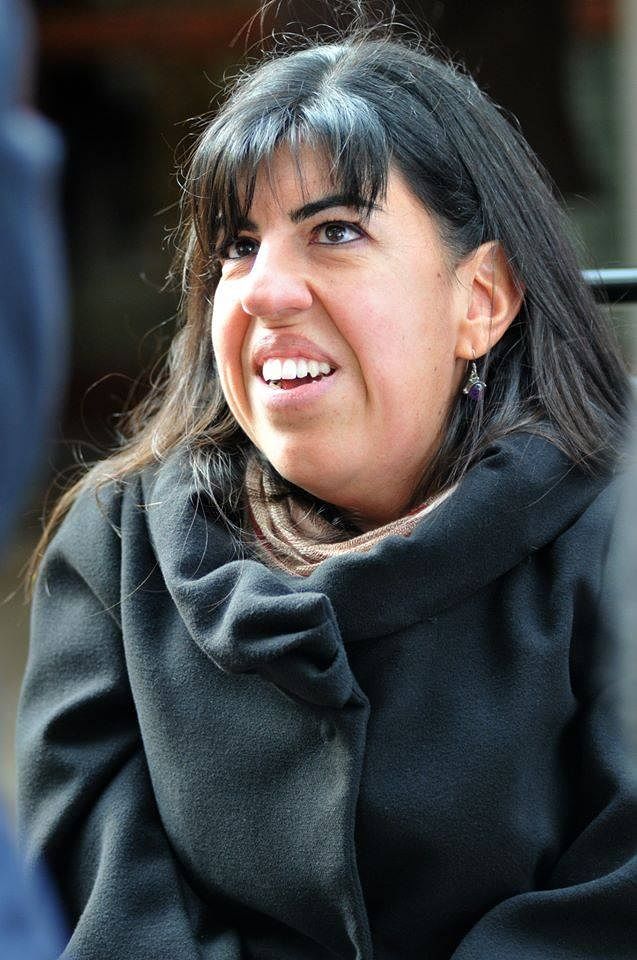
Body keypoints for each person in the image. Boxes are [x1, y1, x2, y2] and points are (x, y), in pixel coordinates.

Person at [16, 14, 637, 960]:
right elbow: (104, 904)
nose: (263, 291)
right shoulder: (116, 547)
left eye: (334, 231)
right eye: (237, 244)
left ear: (480, 300)